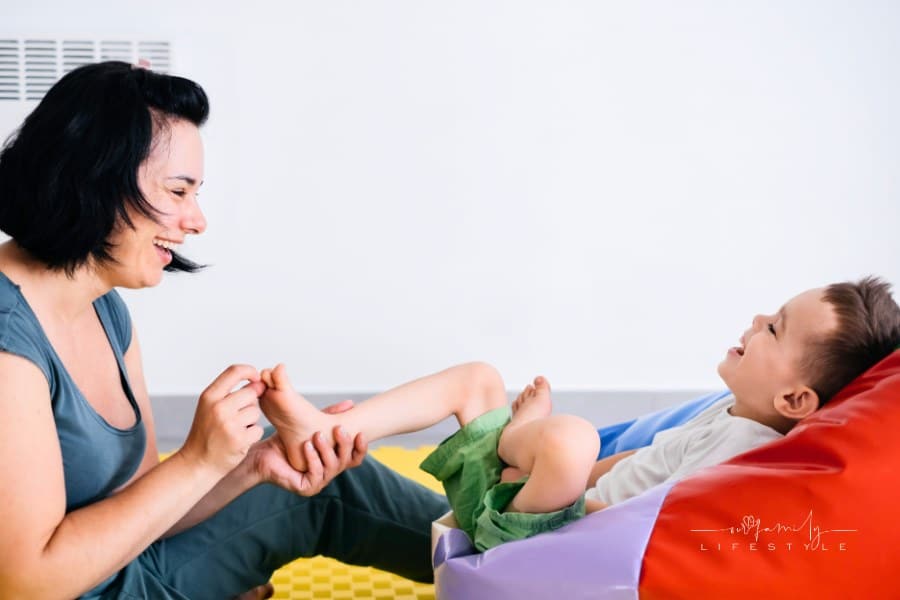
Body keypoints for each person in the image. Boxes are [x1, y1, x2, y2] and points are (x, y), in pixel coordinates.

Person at [0, 61, 448, 600]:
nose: (197, 221)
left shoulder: (104, 309)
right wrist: (196, 461)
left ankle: (518, 560)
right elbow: (26, 583)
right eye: (178, 191)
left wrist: (249, 466)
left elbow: (145, 507)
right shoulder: (9, 343)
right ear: (95, 178)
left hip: (128, 570)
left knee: (311, 470)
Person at [258, 277, 900, 551]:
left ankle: (526, 443)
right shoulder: (724, 413)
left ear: (795, 401)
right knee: (478, 378)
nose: (758, 320)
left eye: (776, 329)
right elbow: (636, 464)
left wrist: (564, 492)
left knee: (571, 437)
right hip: (531, 508)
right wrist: (558, 481)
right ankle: (330, 431)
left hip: (548, 542)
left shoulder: (746, 456)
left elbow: (657, 524)